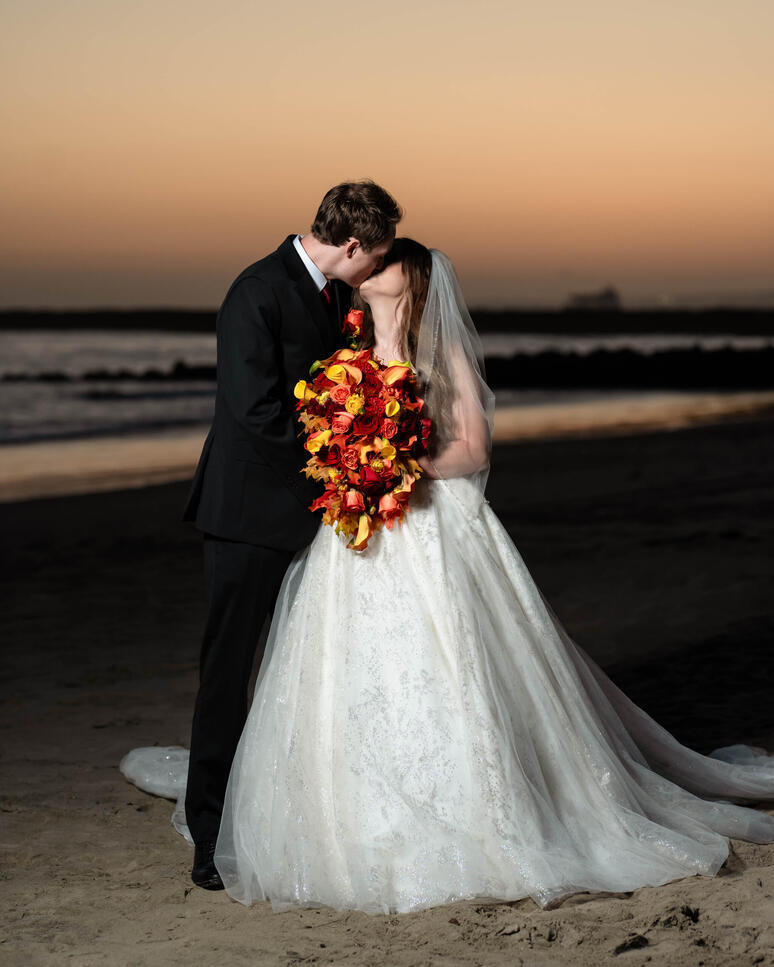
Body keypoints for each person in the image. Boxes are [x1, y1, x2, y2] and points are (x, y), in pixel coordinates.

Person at [207, 238, 774, 914]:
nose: (365, 271)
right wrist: (347, 463)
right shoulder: (346, 346)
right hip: (356, 528)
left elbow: (473, 447)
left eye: (381, 264)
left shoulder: (437, 350)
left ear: (409, 278)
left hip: (426, 523)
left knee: (449, 662)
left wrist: (395, 469)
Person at [179, 181, 402, 890]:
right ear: (353, 245)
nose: (375, 269)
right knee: (228, 674)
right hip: (246, 516)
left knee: (300, 672)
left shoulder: (339, 295)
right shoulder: (256, 291)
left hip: (310, 515)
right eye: (377, 255)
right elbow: (255, 412)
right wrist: (336, 478)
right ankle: (210, 836)